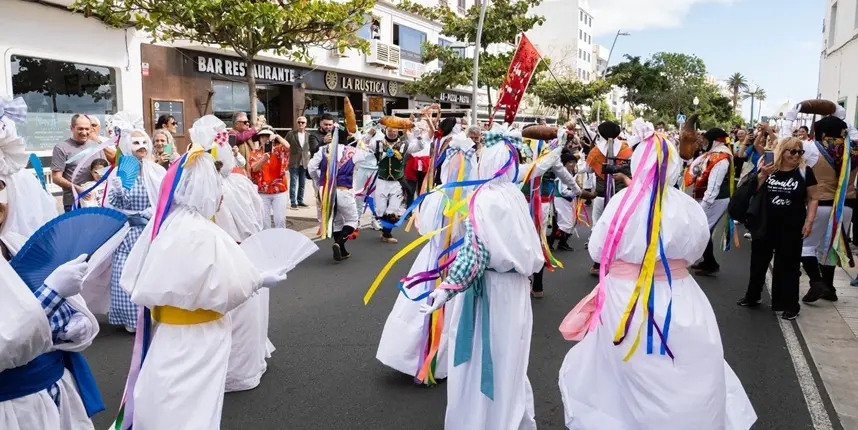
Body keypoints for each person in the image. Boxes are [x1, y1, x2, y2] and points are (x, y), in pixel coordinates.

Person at [557, 126, 757, 430]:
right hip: (679, 294)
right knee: (686, 366)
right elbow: (699, 247)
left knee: (624, 369)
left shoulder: (622, 203)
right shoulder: (687, 206)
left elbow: (598, 251)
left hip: (626, 300)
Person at [117, 116, 289, 430]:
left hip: (168, 331)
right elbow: (227, 285)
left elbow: (137, 275)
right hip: (199, 334)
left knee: (165, 387)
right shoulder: (201, 232)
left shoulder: (167, 224)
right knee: (194, 400)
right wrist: (259, 279)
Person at [420, 124, 544, 430]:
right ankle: (510, 417)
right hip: (515, 291)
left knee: (480, 359)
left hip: (488, 289)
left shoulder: (483, 198)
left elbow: (475, 254)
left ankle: (481, 421)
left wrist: (447, 288)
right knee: (510, 358)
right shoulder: (515, 195)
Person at [0, 96, 103, 430]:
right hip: (15, 412)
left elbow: (64, 315)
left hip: (56, 396)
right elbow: (9, 340)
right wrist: (52, 294)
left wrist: (76, 321)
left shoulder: (14, 244)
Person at [376, 132, 476, 383]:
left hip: (432, 257)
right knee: (452, 308)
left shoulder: (437, 194)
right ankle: (443, 360)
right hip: (460, 261)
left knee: (423, 303)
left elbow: (425, 227)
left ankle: (414, 357)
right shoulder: (475, 196)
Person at [208, 117, 274, 392]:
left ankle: (237, 368)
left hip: (231, 256)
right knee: (242, 313)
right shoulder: (237, 184)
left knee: (237, 314)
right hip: (234, 255)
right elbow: (257, 221)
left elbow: (252, 221)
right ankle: (241, 362)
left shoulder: (235, 185)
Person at [739, 137, 818, 320]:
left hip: (791, 226)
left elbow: (813, 198)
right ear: (782, 152)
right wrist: (762, 176)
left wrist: (809, 221)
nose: (797, 155)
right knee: (758, 262)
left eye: (800, 152)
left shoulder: (805, 171)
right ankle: (753, 296)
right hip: (765, 223)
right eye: (793, 151)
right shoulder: (768, 168)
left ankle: (789, 305)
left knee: (788, 266)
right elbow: (754, 190)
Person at [104, 116, 167, 333]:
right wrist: (121, 187)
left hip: (150, 231)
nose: (141, 147)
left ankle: (151, 315)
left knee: (149, 271)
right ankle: (132, 319)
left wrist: (151, 213)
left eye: (144, 143)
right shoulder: (122, 171)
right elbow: (112, 203)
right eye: (135, 142)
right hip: (127, 232)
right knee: (124, 272)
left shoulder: (157, 171)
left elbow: (166, 199)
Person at [579, 121, 633, 275]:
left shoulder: (596, 151)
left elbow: (588, 169)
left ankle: (597, 263)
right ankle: (617, 260)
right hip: (622, 195)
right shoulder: (626, 149)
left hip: (602, 195)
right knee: (620, 226)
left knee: (599, 226)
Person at [363, 123, 428, 244]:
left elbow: (420, 146)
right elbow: (364, 142)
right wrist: (373, 129)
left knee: (393, 209)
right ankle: (384, 230)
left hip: (397, 182)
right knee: (380, 209)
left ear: (398, 131)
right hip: (382, 180)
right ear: (385, 130)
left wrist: (416, 132)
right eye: (390, 130)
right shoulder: (378, 143)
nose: (392, 133)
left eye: (395, 131)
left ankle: (387, 234)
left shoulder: (405, 144)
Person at [308, 126, 364, 261]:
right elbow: (366, 155)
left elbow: (311, 167)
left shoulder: (322, 150)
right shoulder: (353, 151)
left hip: (326, 191)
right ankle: (338, 244)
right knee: (352, 220)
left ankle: (342, 251)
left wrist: (319, 181)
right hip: (343, 190)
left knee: (337, 221)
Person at [686, 128, 733, 276]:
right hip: (710, 198)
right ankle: (709, 262)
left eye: (706, 140)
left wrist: (704, 206)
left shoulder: (721, 158)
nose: (704, 142)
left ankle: (710, 263)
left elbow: (714, 185)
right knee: (705, 230)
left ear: (715, 141)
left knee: (703, 230)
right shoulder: (713, 154)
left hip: (716, 200)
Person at [51, 114, 105, 212]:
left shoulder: (97, 147)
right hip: (74, 203)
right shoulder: (61, 147)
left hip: (97, 201)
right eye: (80, 129)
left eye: (87, 129)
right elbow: (56, 178)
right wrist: (77, 189)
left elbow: (105, 171)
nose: (84, 132)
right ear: (72, 128)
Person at [249, 128, 290, 229]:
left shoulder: (278, 150)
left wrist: (277, 136)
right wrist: (264, 159)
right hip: (263, 192)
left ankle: (280, 243)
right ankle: (267, 243)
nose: (265, 138)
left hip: (279, 190)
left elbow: (288, 146)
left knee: (279, 220)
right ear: (259, 139)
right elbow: (253, 168)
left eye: (267, 136)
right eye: (262, 136)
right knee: (264, 222)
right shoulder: (255, 153)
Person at [309, 114, 337, 222]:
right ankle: (322, 223)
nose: (328, 127)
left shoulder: (336, 134)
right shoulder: (313, 135)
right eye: (325, 124)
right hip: (319, 171)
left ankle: (332, 221)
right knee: (320, 198)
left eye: (330, 124)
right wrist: (323, 142)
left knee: (333, 197)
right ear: (320, 123)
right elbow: (313, 151)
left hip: (333, 171)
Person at [353, 128, 382, 230]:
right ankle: (357, 219)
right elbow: (361, 145)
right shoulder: (363, 135)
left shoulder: (381, 136)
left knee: (376, 197)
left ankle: (375, 220)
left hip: (375, 170)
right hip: (363, 169)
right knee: (359, 195)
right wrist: (369, 134)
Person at [286, 116, 311, 209]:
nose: (301, 124)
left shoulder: (309, 135)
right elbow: (285, 145)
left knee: (302, 183)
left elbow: (310, 148)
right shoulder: (291, 134)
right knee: (293, 182)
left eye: (303, 122)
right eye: (299, 122)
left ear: (306, 124)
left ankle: (300, 200)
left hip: (304, 162)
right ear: (296, 123)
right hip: (294, 161)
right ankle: (293, 201)